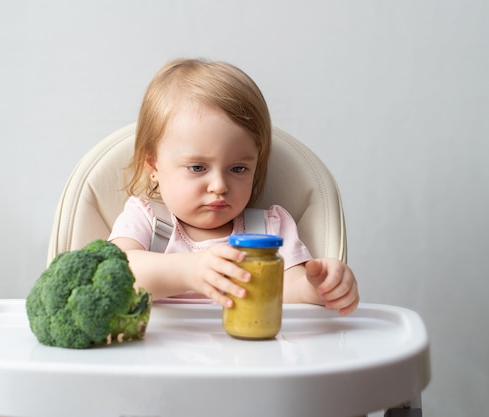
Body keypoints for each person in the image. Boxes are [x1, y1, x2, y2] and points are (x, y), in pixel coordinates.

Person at [109, 58, 359, 315]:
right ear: (153, 167)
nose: (219, 186)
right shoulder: (144, 220)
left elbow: (287, 288)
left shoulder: (269, 229)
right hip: (158, 353)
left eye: (238, 169)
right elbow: (118, 274)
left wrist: (318, 288)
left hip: (249, 351)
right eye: (197, 168)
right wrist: (190, 270)